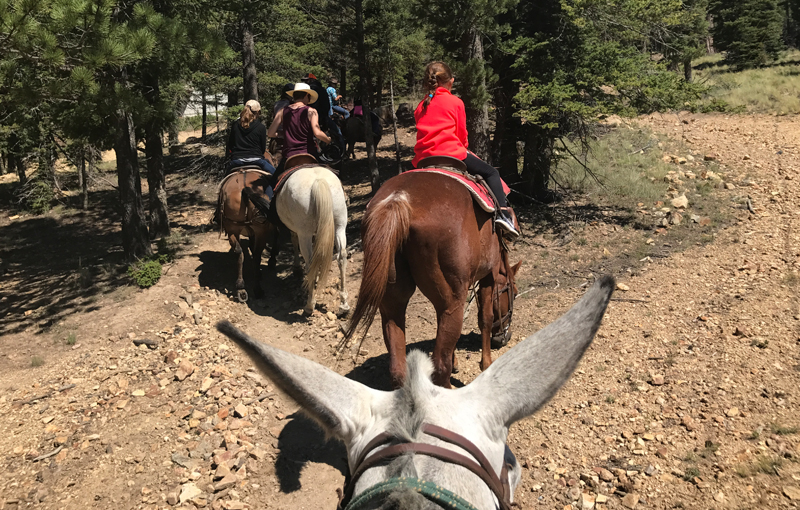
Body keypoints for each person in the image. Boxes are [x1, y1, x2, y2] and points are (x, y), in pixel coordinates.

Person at [412, 61, 518, 236]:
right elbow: (461, 136)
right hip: (452, 154)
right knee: (491, 173)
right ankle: (504, 214)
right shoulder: (455, 102)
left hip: (423, 159)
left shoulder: (421, 106)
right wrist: (464, 147)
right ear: (450, 82)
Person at [268, 82, 331, 177]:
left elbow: (270, 133)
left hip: (289, 155)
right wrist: (327, 140)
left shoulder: (282, 111)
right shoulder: (311, 111)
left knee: (273, 183)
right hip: (309, 153)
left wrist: (283, 134)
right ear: (306, 95)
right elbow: (317, 133)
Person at [225, 99, 275, 175]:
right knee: (276, 177)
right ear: (258, 112)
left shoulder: (235, 125)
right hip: (257, 160)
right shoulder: (261, 127)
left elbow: (231, 144)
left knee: (224, 179)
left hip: (237, 160)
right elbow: (262, 148)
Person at [325, 78, 346, 149]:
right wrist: (339, 96)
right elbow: (335, 98)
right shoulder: (332, 89)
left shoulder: (327, 89)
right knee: (346, 113)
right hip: (333, 105)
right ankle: (347, 125)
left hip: (329, 105)